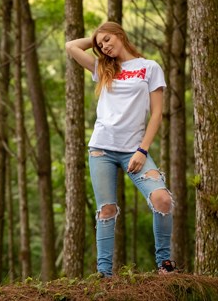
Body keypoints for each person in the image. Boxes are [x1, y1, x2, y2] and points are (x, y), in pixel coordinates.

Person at [65, 21, 176, 277]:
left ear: (119, 34)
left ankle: (165, 263)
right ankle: (104, 274)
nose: (104, 47)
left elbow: (157, 114)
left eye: (107, 40)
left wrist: (142, 150)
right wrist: (94, 39)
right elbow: (71, 46)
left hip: (134, 150)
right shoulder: (102, 68)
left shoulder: (149, 67)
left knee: (162, 199)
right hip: (101, 149)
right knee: (107, 209)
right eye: (100, 45)